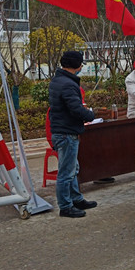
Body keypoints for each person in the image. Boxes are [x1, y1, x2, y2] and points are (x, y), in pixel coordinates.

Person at [48, 50, 97, 218]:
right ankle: (65, 206)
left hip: (62, 130)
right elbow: (75, 109)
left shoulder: (57, 80)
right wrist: (90, 114)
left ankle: (76, 199)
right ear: (76, 65)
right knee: (66, 172)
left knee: (72, 169)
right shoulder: (68, 84)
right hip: (66, 132)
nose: (82, 66)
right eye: (81, 63)